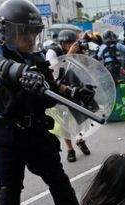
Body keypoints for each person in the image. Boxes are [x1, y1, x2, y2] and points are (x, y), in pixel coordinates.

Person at [0, 0, 99, 205]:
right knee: (9, 192)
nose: (31, 38)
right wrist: (22, 74)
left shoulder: (34, 57)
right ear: (8, 30)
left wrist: (74, 92)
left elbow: (53, 86)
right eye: (25, 32)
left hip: (35, 131)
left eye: (34, 33)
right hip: (6, 133)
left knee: (59, 180)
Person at [46, 29, 93, 163]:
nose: (74, 45)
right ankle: (70, 149)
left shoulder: (75, 50)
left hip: (73, 86)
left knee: (78, 116)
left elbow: (86, 67)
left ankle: (80, 139)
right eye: (70, 43)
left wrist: (82, 55)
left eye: (75, 42)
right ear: (63, 43)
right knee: (64, 120)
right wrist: (70, 54)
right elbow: (54, 73)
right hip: (59, 89)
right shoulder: (52, 52)